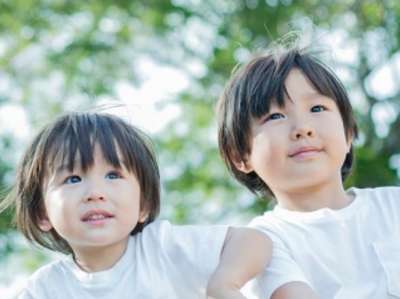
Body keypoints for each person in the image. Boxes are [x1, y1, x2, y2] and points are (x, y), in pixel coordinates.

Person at [0, 112, 269, 299]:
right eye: (72, 178)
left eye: (113, 175)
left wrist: (223, 284)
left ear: (144, 204)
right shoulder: (46, 289)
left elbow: (253, 241)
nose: (95, 193)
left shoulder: (161, 248)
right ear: (41, 213)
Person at [216, 45, 400, 299]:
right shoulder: (262, 243)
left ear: (348, 135)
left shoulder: (393, 205)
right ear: (240, 155)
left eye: (317, 109)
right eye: (275, 116)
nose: (303, 128)